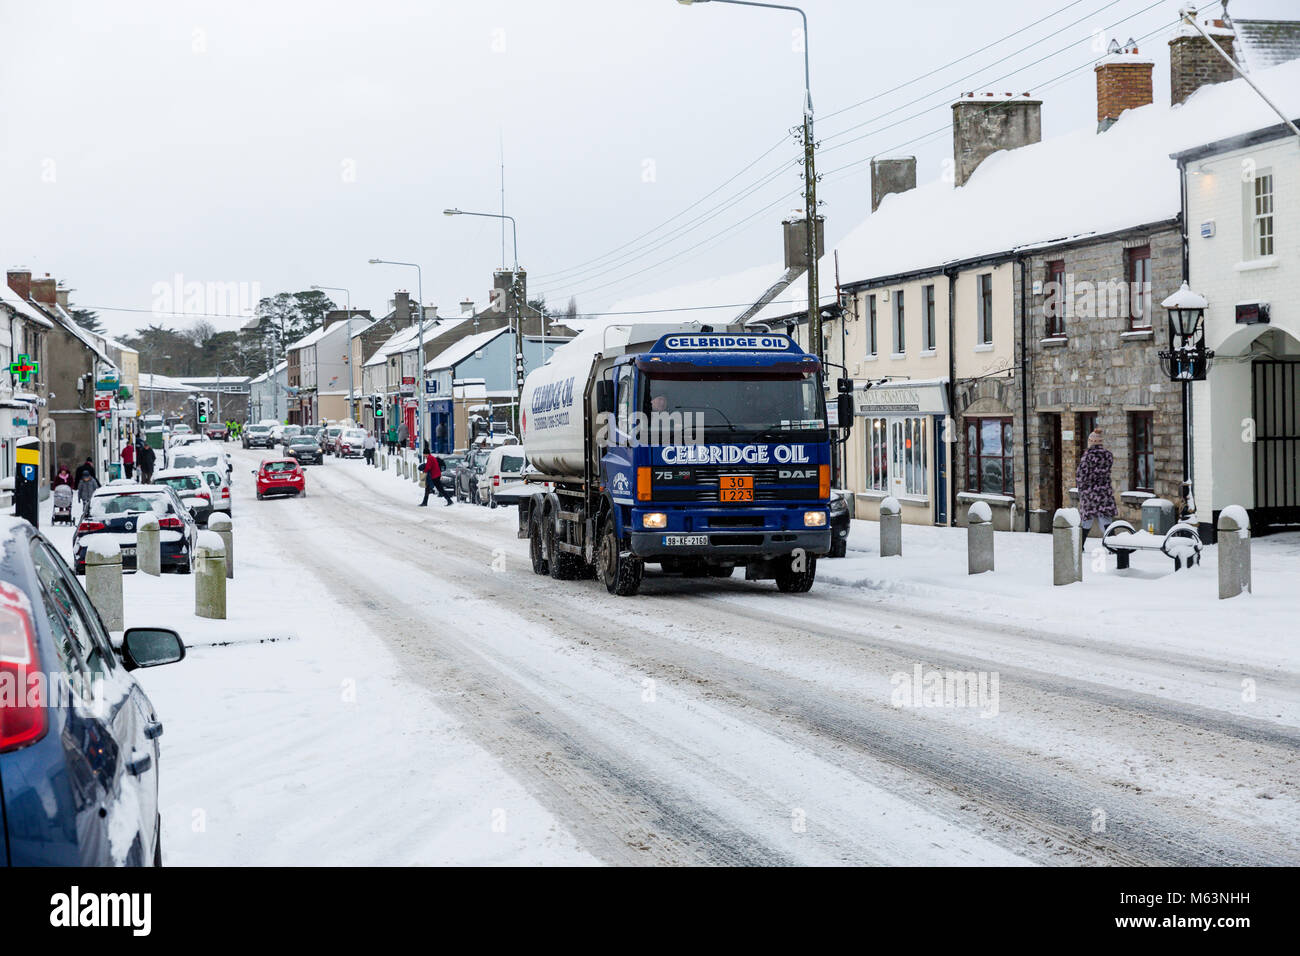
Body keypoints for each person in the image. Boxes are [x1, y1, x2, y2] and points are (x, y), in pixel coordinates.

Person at [1076, 427, 1116, 550]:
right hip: (1104, 492)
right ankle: (1113, 546)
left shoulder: (1087, 456)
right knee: (1105, 519)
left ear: (1091, 442)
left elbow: (1081, 475)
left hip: (1090, 493)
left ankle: (1079, 546)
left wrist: (1081, 490)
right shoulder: (1108, 455)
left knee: (1086, 520)